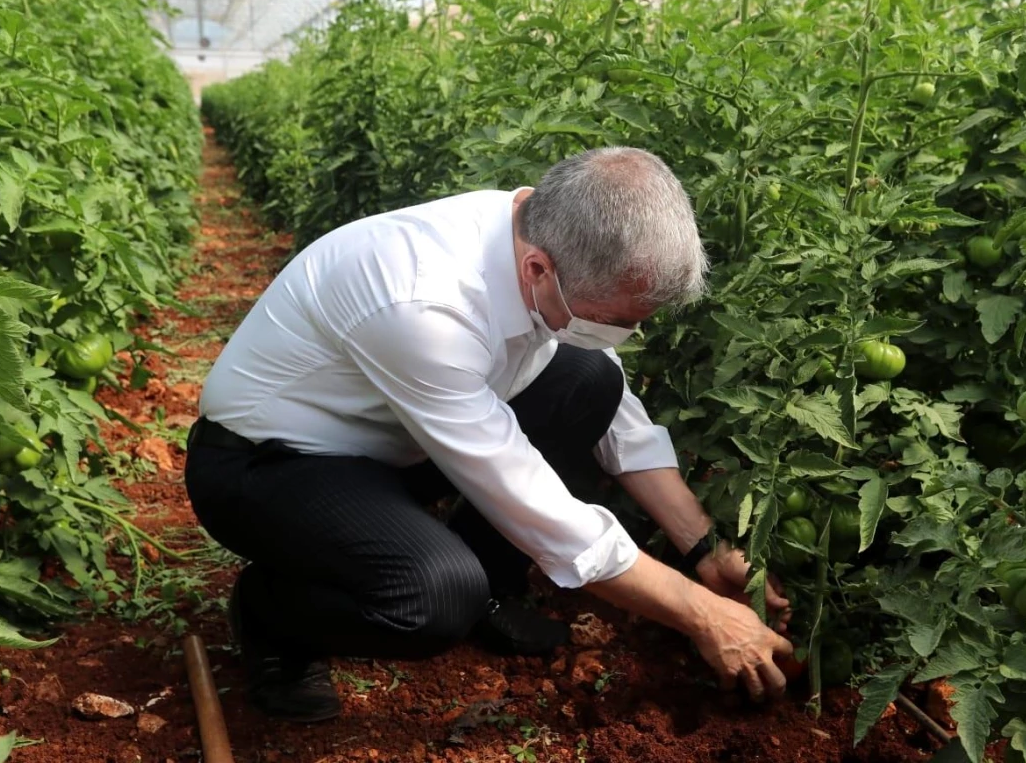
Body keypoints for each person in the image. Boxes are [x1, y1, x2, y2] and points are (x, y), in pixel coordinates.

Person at [184, 147, 794, 724]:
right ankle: (272, 614)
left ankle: (491, 596)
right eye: (615, 321)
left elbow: (616, 417)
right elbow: (536, 507)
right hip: (268, 465)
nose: (625, 337)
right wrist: (701, 614)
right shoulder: (423, 303)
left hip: (400, 439)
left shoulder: (539, 233)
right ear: (538, 270)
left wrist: (703, 549)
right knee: (433, 597)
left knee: (587, 378)